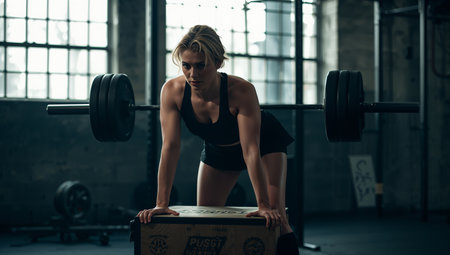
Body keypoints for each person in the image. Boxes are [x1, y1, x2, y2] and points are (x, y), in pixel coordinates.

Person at [137, 25, 299, 255]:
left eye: (201, 65)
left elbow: (251, 149)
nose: (193, 74)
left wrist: (262, 205)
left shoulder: (241, 90)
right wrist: (161, 203)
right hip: (218, 150)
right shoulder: (172, 91)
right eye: (186, 65)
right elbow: (170, 147)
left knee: (276, 218)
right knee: (207, 220)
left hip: (264, 144)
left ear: (218, 62)